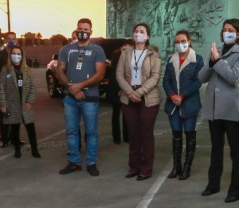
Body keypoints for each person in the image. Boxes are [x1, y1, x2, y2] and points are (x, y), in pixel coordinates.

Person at [199, 18, 239, 203]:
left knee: (236, 151)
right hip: (214, 109)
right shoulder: (216, 51)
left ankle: (236, 190)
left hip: (233, 110)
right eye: (225, 29)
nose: (227, 32)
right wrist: (211, 62)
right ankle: (213, 184)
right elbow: (202, 77)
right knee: (216, 148)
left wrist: (218, 61)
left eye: (231, 30)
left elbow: (233, 76)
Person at [56, 18, 106, 176]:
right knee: (71, 131)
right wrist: (73, 89)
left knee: (91, 132)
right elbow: (59, 71)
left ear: (91, 32)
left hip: (90, 99)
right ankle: (74, 162)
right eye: (80, 29)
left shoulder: (97, 50)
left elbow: (100, 74)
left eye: (86, 29)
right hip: (70, 99)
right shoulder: (66, 49)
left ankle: (91, 162)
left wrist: (80, 85)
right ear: (76, 30)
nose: (82, 32)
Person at [116, 24, 161, 180]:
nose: (138, 34)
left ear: (147, 36)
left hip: (148, 98)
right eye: (136, 31)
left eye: (142, 32)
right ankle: (134, 166)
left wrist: (139, 92)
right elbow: (119, 75)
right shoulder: (126, 53)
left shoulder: (153, 55)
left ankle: (146, 168)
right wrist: (130, 92)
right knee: (133, 134)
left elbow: (155, 77)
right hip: (129, 97)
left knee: (146, 134)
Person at [163, 30, 204, 180]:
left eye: (183, 41)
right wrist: (173, 96)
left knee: (189, 134)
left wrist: (182, 95)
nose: (180, 44)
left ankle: (187, 167)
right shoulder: (170, 59)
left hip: (189, 104)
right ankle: (176, 166)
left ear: (189, 41)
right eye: (177, 42)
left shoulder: (197, 60)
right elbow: (166, 81)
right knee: (176, 135)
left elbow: (198, 82)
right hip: (173, 104)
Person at [0, 45, 40, 158]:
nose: (16, 56)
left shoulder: (27, 70)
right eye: (14, 54)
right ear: (10, 55)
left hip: (25, 104)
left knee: (31, 128)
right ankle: (17, 149)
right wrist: (3, 104)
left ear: (22, 56)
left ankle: (34, 149)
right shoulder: (5, 69)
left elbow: (33, 88)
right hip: (12, 104)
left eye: (18, 54)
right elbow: (1, 87)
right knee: (15, 128)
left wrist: (30, 101)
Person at [0, 31, 16, 147]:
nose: (11, 40)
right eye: (9, 38)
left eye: (13, 39)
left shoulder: (19, 54)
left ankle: (15, 138)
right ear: (5, 41)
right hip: (3, 90)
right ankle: (4, 139)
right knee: (5, 115)